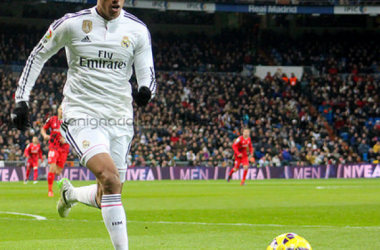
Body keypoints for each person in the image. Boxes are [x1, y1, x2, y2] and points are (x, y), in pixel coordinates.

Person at [11, 0, 156, 249]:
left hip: (120, 119)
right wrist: (21, 99)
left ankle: (70, 194)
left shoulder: (137, 30)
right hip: (81, 114)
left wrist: (145, 91)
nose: (116, 1)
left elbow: (147, 72)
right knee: (110, 180)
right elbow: (38, 55)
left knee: (109, 192)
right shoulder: (72, 24)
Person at [41, 105, 70, 197]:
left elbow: (73, 135)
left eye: (63, 110)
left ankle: (61, 185)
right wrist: (44, 135)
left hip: (64, 148)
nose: (62, 111)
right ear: (58, 110)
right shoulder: (52, 119)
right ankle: (50, 191)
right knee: (52, 168)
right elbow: (43, 128)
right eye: (61, 109)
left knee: (58, 172)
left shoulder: (68, 122)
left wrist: (65, 140)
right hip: (54, 147)